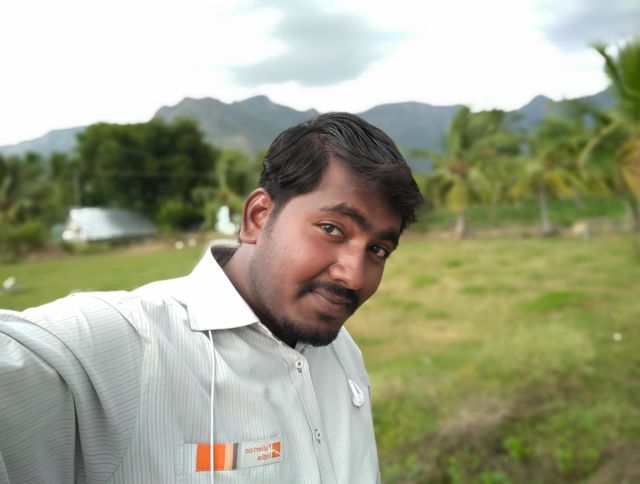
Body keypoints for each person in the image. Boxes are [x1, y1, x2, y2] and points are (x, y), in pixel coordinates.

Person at [0, 112, 423, 483]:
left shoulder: (342, 352)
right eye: (332, 229)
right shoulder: (125, 347)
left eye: (378, 250)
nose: (354, 275)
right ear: (258, 217)